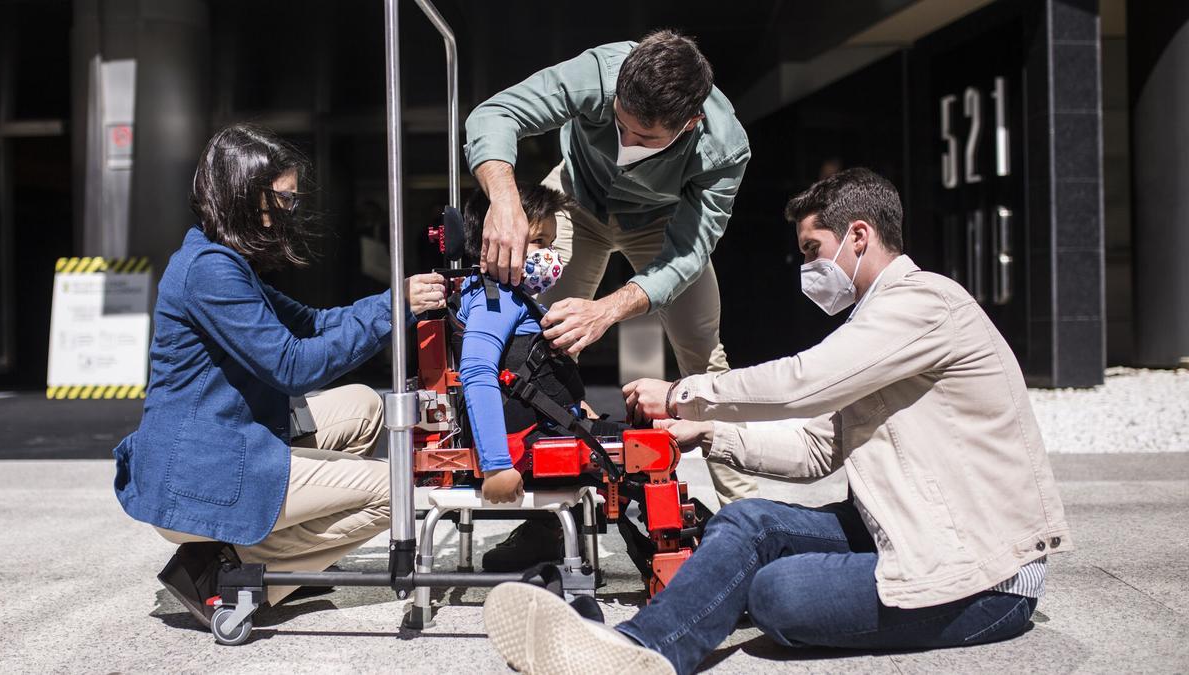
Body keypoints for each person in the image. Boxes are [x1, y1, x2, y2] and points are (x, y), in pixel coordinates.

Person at [481, 168, 1073, 674]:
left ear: (859, 237)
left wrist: (687, 395)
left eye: (814, 249)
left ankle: (640, 648)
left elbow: (803, 383)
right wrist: (709, 435)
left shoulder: (924, 303)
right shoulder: (878, 326)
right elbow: (819, 448)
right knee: (747, 522)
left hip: (982, 578)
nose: (807, 266)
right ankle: (640, 645)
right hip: (908, 525)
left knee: (776, 592)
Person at [110, 124, 447, 628]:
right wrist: (392, 310)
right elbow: (293, 366)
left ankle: (266, 551)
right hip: (202, 471)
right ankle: (234, 575)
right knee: (396, 490)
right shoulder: (210, 271)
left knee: (364, 406)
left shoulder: (221, 259)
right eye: (285, 199)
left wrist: (393, 298)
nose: (292, 211)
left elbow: (311, 323)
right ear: (245, 194)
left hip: (222, 439)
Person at [464, 29, 759, 505]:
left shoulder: (724, 150)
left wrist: (607, 310)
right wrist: (504, 201)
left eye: (644, 137)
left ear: (689, 124)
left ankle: (746, 513)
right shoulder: (600, 74)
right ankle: (549, 514)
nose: (624, 142)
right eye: (619, 123)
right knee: (538, 347)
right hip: (575, 199)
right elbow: (495, 114)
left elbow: (687, 255)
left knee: (705, 360)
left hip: (664, 224)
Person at [457, 183, 627, 571]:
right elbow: (477, 371)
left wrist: (576, 409)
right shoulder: (493, 300)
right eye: (536, 241)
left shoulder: (515, 298)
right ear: (492, 242)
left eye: (549, 242)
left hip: (547, 426)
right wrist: (497, 465)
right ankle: (680, 559)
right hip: (524, 446)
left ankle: (543, 534)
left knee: (631, 438)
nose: (549, 254)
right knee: (646, 454)